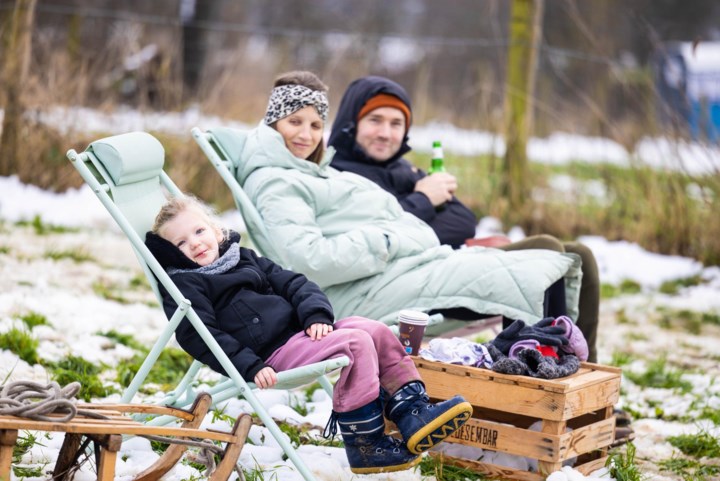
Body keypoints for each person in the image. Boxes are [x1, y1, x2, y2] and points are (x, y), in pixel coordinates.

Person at [228, 69, 582, 346]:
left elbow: (454, 219)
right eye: (295, 122)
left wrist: (398, 233)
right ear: (273, 122)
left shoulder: (310, 174)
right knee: (534, 273)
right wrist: (388, 240)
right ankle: (541, 397)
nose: (306, 135)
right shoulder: (278, 183)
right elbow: (310, 262)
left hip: (394, 274)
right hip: (358, 296)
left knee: (539, 267)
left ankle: (561, 392)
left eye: (316, 125)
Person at [144, 195, 474, 474]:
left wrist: (315, 314)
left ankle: (410, 410)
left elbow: (295, 283)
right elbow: (199, 335)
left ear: (216, 230)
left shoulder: (242, 258)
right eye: (181, 243)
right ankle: (365, 443)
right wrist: (249, 365)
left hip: (302, 335)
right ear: (173, 253)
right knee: (356, 343)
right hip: (272, 356)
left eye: (199, 231)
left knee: (371, 328)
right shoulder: (188, 283)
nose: (195, 243)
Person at [328, 76, 600, 363]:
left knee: (578, 254)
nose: (386, 133)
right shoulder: (341, 176)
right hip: (402, 284)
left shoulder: (404, 170)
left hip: (444, 265)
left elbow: (461, 222)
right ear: (351, 122)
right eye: (375, 120)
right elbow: (372, 238)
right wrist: (423, 201)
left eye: (396, 124)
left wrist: (414, 211)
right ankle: (536, 374)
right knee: (545, 249)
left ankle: (584, 374)